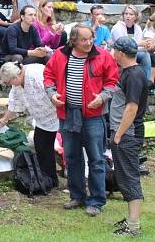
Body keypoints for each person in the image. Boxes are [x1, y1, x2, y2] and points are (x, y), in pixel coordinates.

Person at [44, 24, 119, 216]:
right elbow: (49, 76)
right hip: (68, 114)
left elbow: (112, 81)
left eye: (91, 38)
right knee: (72, 157)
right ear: (73, 41)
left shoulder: (102, 55)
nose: (88, 43)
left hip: (93, 117)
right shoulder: (60, 55)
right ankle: (77, 196)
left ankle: (96, 201)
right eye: (84, 39)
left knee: (95, 159)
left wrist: (102, 97)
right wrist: (52, 94)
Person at [109, 37, 150, 237]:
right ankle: (131, 220)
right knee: (124, 177)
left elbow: (132, 108)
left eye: (114, 50)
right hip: (124, 133)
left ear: (121, 53)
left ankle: (133, 226)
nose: (112, 53)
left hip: (127, 134)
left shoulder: (134, 75)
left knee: (129, 178)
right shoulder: (129, 72)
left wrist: (118, 135)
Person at [0, 61, 59, 189]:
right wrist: (4, 119)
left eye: (8, 83)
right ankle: (49, 179)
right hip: (42, 120)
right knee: (41, 144)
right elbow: (14, 104)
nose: (9, 85)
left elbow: (54, 90)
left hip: (59, 114)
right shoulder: (17, 85)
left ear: (16, 77)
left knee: (67, 148)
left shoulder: (36, 74)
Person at [110, 6, 152, 81]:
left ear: (136, 16)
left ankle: (145, 82)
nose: (128, 16)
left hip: (132, 52)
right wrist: (140, 43)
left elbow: (139, 47)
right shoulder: (117, 27)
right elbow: (122, 45)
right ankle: (144, 81)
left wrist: (145, 45)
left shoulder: (137, 28)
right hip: (119, 52)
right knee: (144, 56)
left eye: (131, 14)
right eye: (126, 14)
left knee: (146, 54)